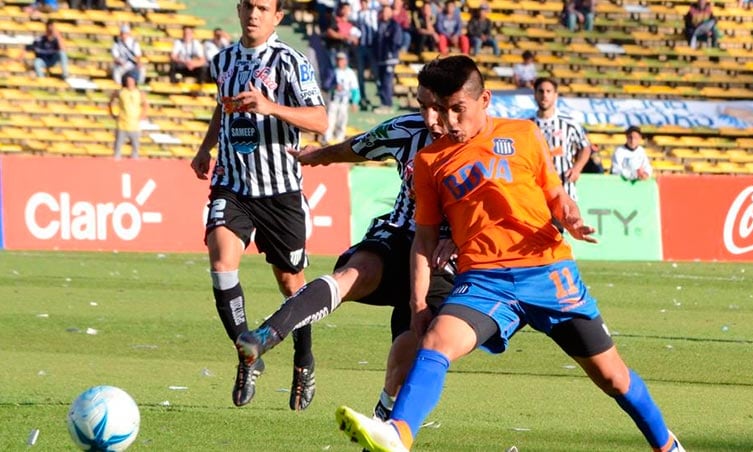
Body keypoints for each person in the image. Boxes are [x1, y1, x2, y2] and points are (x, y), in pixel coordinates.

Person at [333, 55, 685, 452]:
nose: (447, 122)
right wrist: (417, 304)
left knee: (613, 378)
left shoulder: (525, 134)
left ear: (484, 99)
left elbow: (554, 193)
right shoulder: (430, 161)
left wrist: (569, 216)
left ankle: (668, 446)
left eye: (457, 110)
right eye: (440, 110)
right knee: (435, 342)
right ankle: (399, 434)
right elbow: (424, 238)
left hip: (548, 272)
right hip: (484, 279)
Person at [233, 83, 456, 422]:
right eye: (422, 106)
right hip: (399, 235)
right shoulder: (406, 129)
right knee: (353, 274)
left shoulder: (486, 145)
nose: (428, 118)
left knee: (418, 337)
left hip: (442, 257)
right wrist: (318, 156)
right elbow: (359, 146)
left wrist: (457, 239)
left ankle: (385, 413)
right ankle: (264, 336)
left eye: (436, 107)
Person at [189, 0, 327, 410]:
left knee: (291, 283)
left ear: (277, 17)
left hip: (280, 192)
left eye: (263, 8)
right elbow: (223, 107)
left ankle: (304, 361)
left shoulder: (290, 62)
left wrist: (269, 107)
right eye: (249, 6)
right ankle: (246, 356)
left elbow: (320, 119)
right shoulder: (224, 60)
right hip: (232, 186)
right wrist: (205, 148)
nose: (254, 14)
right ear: (238, 9)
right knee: (220, 261)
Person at [532, 76, 592, 202]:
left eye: (549, 91)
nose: (544, 95)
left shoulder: (569, 123)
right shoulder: (528, 125)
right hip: (537, 193)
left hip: (565, 190)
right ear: (535, 94)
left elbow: (585, 147)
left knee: (565, 222)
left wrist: (577, 168)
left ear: (555, 95)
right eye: (541, 91)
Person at [108, 73, 148, 160]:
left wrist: (143, 115)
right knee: (118, 147)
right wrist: (113, 113)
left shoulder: (139, 93)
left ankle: (134, 166)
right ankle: (116, 165)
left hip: (134, 125)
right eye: (128, 81)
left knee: (135, 148)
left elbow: (145, 104)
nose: (129, 82)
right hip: (122, 124)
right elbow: (111, 101)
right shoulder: (121, 92)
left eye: (131, 80)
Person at [323, 52, 360, 144]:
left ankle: (340, 139)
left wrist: (355, 102)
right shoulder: (332, 71)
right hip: (333, 100)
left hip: (344, 101)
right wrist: (334, 86)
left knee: (342, 121)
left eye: (342, 60)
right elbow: (326, 85)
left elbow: (355, 88)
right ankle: (327, 139)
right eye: (338, 60)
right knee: (330, 120)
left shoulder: (350, 73)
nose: (340, 62)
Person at [373, 4, 403, 114]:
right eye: (383, 12)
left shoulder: (394, 25)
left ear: (391, 13)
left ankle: (387, 104)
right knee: (381, 81)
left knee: (387, 81)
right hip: (380, 58)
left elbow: (397, 41)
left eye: (387, 12)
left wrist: (391, 52)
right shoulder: (380, 24)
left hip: (390, 58)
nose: (385, 14)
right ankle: (383, 103)